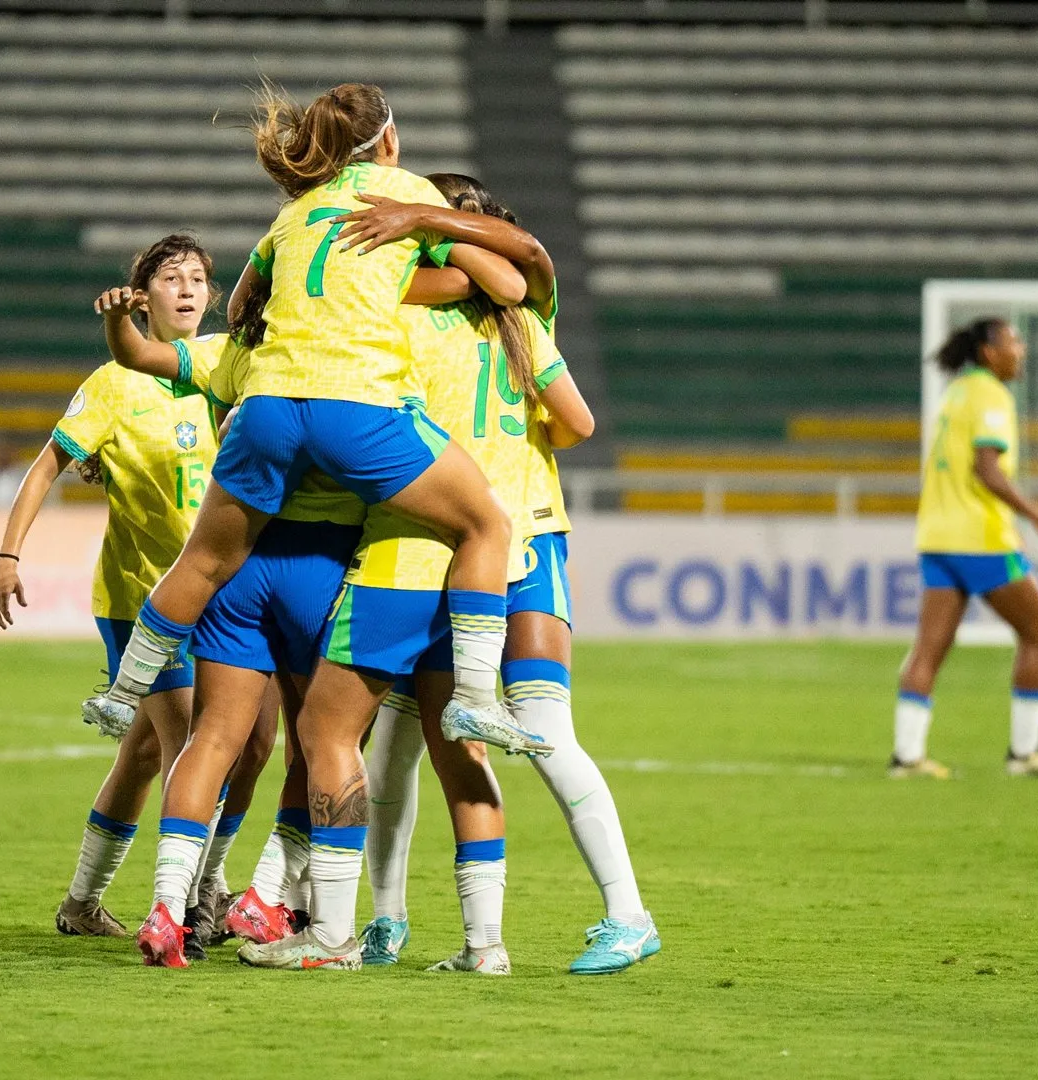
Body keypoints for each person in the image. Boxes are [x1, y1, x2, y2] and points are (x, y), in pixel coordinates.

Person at [80, 82, 548, 762]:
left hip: (266, 405)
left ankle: (122, 694)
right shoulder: (407, 191)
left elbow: (242, 302)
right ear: (388, 140)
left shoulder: (293, 215)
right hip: (355, 405)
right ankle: (474, 699)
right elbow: (510, 281)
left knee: (204, 559)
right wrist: (429, 223)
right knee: (484, 523)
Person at [237, 182, 571, 973]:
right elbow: (523, 280)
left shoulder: (386, 318)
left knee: (324, 732)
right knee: (464, 759)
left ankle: (331, 933)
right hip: (480, 577)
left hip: (399, 560)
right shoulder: (513, 323)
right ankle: (486, 946)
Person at [339, 174, 662, 975]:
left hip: (436, 545)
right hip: (528, 537)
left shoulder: (404, 319)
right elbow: (578, 423)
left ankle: (388, 922)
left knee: (399, 745)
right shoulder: (520, 320)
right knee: (518, 732)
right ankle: (607, 917)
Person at [0, 233, 261, 936]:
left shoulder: (230, 364)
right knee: (190, 742)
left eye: (198, 276)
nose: (190, 288)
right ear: (144, 296)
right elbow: (47, 465)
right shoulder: (114, 383)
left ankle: (81, 904)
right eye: (172, 278)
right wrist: (8, 557)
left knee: (146, 752)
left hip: (225, 594)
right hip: (143, 597)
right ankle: (203, 895)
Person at [891, 317, 1038, 780]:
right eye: (1013, 341)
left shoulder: (955, 393)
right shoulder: (992, 396)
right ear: (989, 352)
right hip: (981, 540)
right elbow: (986, 469)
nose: (1021, 349)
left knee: (929, 649)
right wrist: (1036, 513)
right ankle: (1025, 751)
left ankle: (907, 757)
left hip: (936, 535)